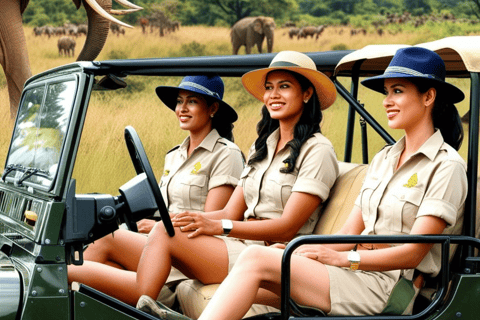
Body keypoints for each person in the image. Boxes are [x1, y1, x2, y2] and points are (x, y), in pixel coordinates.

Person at [196, 47, 468, 320]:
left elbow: (413, 253)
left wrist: (345, 259)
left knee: (256, 259)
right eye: (386, 92)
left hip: (389, 286)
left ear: (428, 96)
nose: (386, 101)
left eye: (397, 91)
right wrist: (301, 249)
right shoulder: (385, 158)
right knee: (254, 274)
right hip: (354, 271)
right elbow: (350, 231)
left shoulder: (446, 166)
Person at [129, 50, 340, 317]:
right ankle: (145, 306)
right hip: (242, 245)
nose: (273, 95)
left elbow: (287, 228)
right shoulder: (262, 147)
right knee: (167, 227)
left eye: (284, 87)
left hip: (275, 255)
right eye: (269, 88)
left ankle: (140, 312)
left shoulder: (317, 150)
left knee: (163, 232)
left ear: (307, 94)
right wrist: (194, 219)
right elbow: (229, 213)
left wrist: (219, 226)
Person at [68, 75, 244, 305]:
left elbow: (210, 223)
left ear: (212, 108)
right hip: (163, 241)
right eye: (179, 101)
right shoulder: (174, 155)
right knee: (105, 251)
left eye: (192, 102)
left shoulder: (226, 154)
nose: (182, 108)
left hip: (193, 252)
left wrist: (159, 226)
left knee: (105, 243)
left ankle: (57, 276)